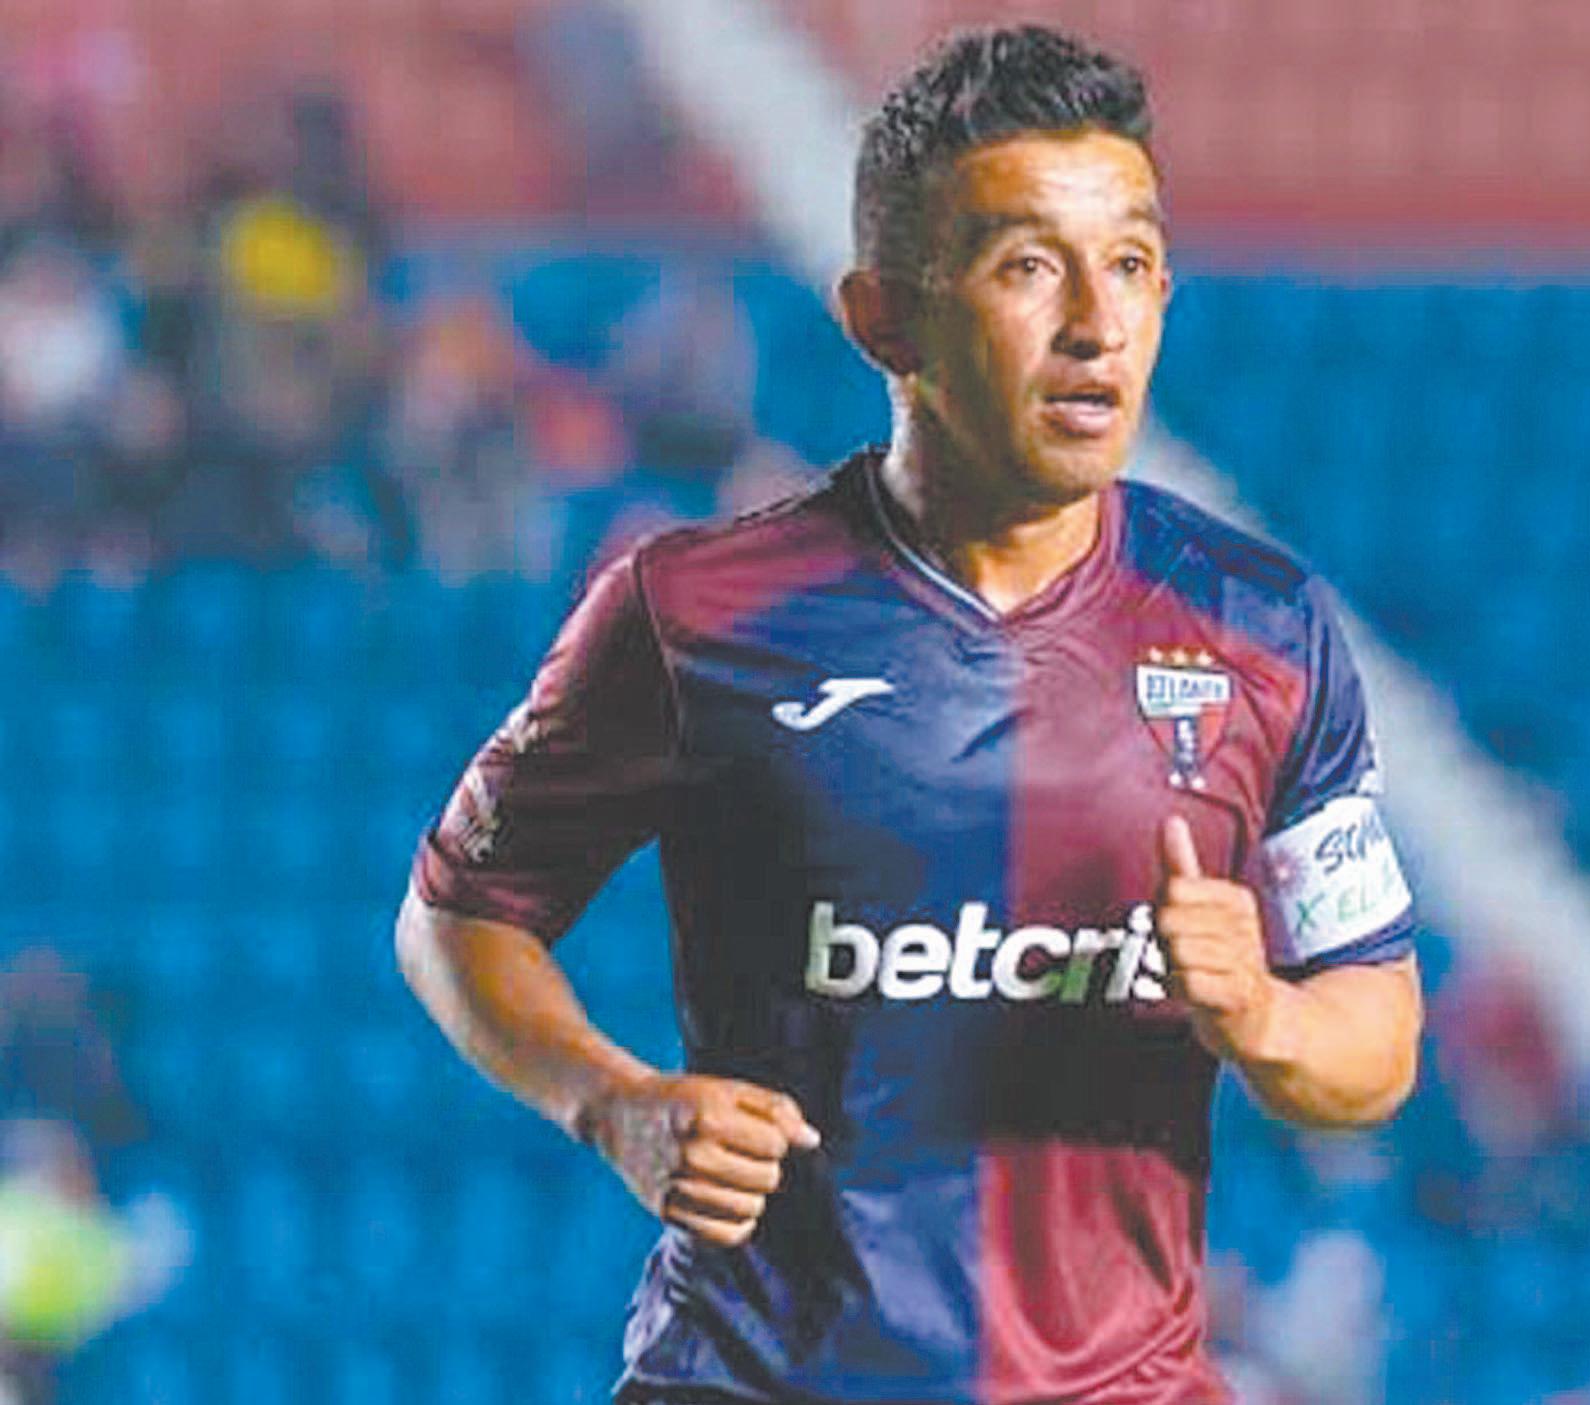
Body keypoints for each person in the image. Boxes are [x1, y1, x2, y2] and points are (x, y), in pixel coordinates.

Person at [397, 23, 1423, 1404]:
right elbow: (457, 915)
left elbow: (1376, 1037)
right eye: (1027, 267)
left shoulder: (1264, 629)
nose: (1095, 323)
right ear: (883, 317)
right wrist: (612, 1102)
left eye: (1129, 264)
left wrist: (1262, 1014)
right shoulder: (697, 611)